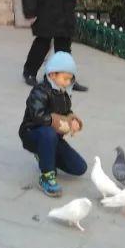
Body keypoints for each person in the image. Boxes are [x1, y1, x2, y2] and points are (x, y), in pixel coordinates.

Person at [18, 51, 87, 197]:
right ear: (52, 75)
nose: (68, 82)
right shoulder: (40, 91)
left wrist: (72, 120)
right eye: (65, 78)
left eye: (70, 79)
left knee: (79, 167)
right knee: (48, 132)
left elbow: (67, 112)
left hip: (53, 139)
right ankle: (46, 176)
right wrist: (58, 122)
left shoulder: (63, 93)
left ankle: (44, 155)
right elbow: (37, 115)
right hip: (33, 133)